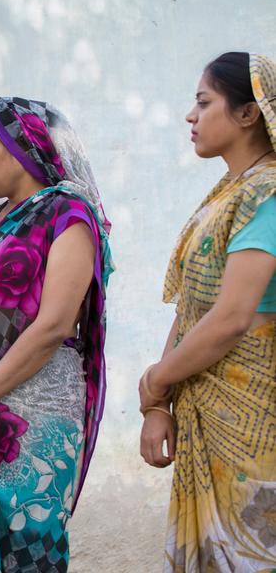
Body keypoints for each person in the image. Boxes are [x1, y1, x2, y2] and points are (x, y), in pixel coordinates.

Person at [0, 98, 113, 572]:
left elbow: (53, 324)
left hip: (35, 409)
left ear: (19, 145)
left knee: (28, 543)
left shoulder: (67, 214)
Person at [139, 52, 276, 571]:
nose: (191, 116)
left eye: (204, 102)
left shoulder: (268, 193)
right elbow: (195, 308)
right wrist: (159, 401)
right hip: (207, 413)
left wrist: (155, 382)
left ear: (248, 113)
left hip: (254, 420)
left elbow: (231, 317)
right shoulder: (227, 195)